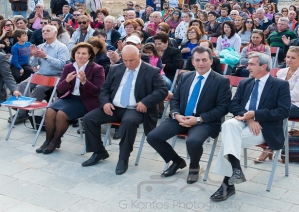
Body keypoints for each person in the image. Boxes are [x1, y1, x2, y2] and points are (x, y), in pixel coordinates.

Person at [210, 52, 291, 201]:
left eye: (251, 64)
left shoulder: (280, 85)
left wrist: (256, 115)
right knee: (228, 124)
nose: (247, 67)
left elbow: (284, 111)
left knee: (229, 141)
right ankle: (235, 171)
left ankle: (227, 183)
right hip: (244, 121)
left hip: (265, 128)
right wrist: (249, 118)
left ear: (264, 66)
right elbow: (233, 104)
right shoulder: (245, 83)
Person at [147, 46, 231, 184]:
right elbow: (175, 99)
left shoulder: (221, 81)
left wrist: (198, 119)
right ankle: (176, 161)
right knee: (153, 137)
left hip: (205, 121)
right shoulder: (185, 76)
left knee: (193, 141)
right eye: (197, 60)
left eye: (204, 60)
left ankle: (194, 167)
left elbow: (223, 108)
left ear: (211, 61)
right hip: (181, 118)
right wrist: (175, 114)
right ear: (192, 62)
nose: (201, 63)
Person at [80, 45, 168, 175]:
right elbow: (104, 88)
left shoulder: (151, 71)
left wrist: (145, 102)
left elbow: (162, 91)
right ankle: (99, 152)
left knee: (129, 122)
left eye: (131, 60)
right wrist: (105, 103)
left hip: (135, 108)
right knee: (88, 119)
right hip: (114, 107)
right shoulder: (115, 68)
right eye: (125, 60)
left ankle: (123, 158)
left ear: (138, 56)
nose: (128, 64)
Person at [35, 42, 105, 154]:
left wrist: (84, 82)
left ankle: (55, 140)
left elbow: (97, 91)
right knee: (50, 111)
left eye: (84, 53)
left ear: (90, 55)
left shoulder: (97, 69)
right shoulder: (69, 67)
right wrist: (67, 81)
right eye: (78, 53)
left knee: (62, 114)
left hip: (86, 100)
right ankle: (48, 140)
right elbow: (60, 89)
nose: (80, 56)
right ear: (74, 54)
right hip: (69, 97)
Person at [9, 25, 69, 124]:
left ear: (55, 33)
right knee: (22, 85)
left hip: (54, 75)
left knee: (40, 88)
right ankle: (24, 110)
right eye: (43, 31)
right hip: (40, 74)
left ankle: (24, 111)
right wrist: (33, 55)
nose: (45, 32)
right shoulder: (40, 46)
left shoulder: (61, 47)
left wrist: (45, 57)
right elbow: (33, 64)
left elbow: (62, 65)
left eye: (48, 30)